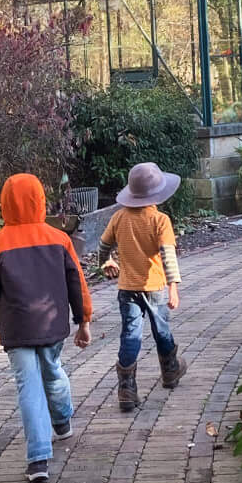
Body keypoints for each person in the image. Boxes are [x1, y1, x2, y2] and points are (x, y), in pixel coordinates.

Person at [0, 173, 92, 483]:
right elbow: (76, 283)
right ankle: (63, 420)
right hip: (52, 324)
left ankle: (38, 458)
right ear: (40, 201)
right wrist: (84, 320)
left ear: (5, 204)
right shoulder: (59, 239)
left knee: (28, 385)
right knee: (53, 370)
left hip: (17, 327)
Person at [99, 161, 186, 413]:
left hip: (127, 289)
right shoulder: (160, 220)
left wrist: (106, 261)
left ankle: (126, 388)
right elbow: (168, 255)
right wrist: (173, 287)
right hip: (155, 287)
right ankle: (170, 371)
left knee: (130, 335)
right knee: (161, 330)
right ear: (158, 193)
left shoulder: (118, 217)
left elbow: (103, 245)